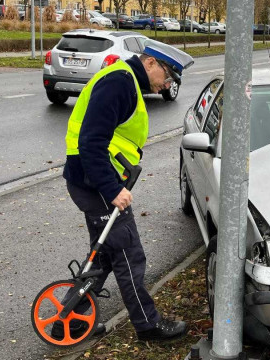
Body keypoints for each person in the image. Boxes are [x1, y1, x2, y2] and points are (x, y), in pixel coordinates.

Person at [53, 39, 194, 342]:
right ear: (151, 63)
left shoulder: (127, 80)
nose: (167, 85)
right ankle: (148, 325)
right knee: (129, 254)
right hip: (96, 184)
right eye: (167, 76)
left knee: (103, 256)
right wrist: (113, 189)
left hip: (94, 182)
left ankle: (72, 322)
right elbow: (91, 142)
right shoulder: (119, 82)